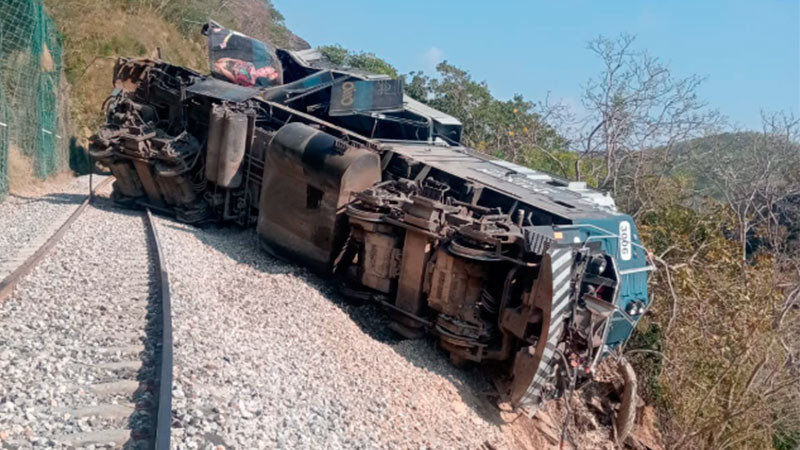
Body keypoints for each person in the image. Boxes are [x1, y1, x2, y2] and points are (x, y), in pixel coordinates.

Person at [213, 57, 279, 88]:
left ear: (265, 76)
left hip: (223, 73)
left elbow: (233, 79)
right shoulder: (251, 65)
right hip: (225, 64)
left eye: (265, 72)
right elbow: (237, 60)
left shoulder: (251, 82)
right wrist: (229, 60)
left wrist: (220, 68)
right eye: (264, 68)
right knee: (220, 63)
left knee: (219, 65)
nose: (262, 70)